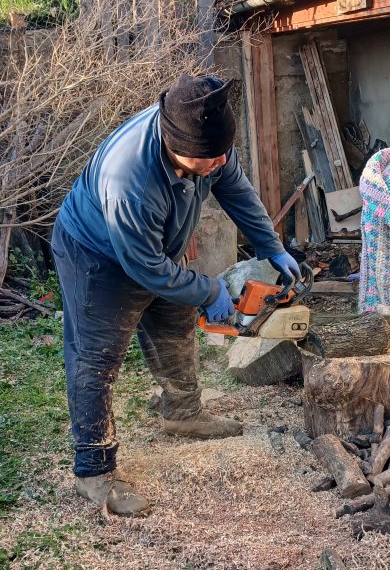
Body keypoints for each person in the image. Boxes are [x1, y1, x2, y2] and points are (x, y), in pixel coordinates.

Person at [52, 74, 301, 518]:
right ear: (174, 144)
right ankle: (92, 470)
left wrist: (271, 245)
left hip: (153, 248)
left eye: (223, 153)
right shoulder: (128, 178)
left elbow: (236, 189)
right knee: (96, 356)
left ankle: (182, 413)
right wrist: (207, 290)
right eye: (209, 158)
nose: (219, 161)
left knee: (174, 317)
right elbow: (143, 266)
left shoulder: (209, 138)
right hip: (96, 253)